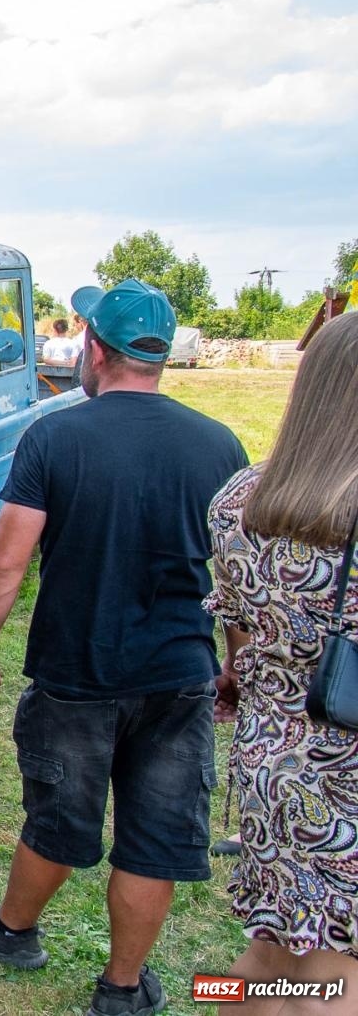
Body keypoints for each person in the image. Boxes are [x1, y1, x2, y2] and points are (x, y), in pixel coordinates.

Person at [0, 278, 248, 1016]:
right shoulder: (219, 444)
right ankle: (122, 987)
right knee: (156, 838)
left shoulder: (56, 436)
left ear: (95, 351)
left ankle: (14, 930)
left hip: (76, 672)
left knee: (58, 817)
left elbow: (6, 560)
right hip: (178, 674)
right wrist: (235, 661)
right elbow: (235, 575)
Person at [204, 309, 358, 1010]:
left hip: (271, 757)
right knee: (330, 969)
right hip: (343, 770)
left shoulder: (238, 499)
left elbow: (240, 634)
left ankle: (216, 996)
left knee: (275, 949)